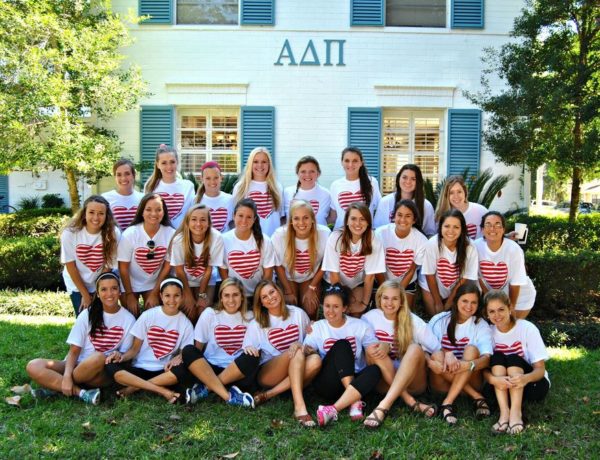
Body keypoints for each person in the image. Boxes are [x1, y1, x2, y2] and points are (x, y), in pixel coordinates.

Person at [26, 273, 136, 405]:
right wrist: (67, 376)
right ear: (98, 293)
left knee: (98, 357)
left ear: (120, 291)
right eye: (104, 289)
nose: (109, 293)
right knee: (33, 365)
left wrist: (119, 354)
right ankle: (81, 393)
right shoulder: (87, 314)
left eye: (114, 288)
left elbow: (125, 355)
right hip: (77, 365)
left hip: (102, 372)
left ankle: (55, 387)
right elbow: (74, 351)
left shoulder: (129, 319)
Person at [362, 280, 441, 428]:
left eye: (395, 298)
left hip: (412, 383)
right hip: (383, 383)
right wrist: (383, 345)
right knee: (372, 349)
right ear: (379, 298)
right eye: (385, 298)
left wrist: (429, 359)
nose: (389, 303)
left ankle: (383, 406)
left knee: (415, 348)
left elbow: (437, 348)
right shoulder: (369, 318)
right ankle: (410, 402)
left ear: (401, 301)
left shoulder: (413, 321)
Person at [303, 284, 383, 427]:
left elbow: (374, 350)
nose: (330, 311)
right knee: (342, 345)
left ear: (344, 308)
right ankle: (354, 401)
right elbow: (306, 353)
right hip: (329, 383)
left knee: (375, 370)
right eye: (327, 306)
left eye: (336, 306)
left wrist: (386, 345)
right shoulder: (317, 328)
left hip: (356, 380)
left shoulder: (360, 326)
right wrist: (305, 349)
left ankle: (332, 409)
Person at [104, 278, 194, 403]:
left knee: (184, 371)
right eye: (167, 295)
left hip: (164, 372)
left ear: (182, 297)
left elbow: (185, 353)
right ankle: (163, 391)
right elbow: (134, 349)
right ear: (161, 296)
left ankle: (134, 388)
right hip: (140, 369)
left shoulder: (186, 324)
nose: (172, 300)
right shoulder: (148, 315)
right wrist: (122, 357)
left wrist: (179, 356)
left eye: (176, 296)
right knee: (110, 365)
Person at [243, 281, 320, 426]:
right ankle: (299, 407)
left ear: (279, 291)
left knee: (315, 360)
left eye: (272, 292)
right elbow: (247, 349)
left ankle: (269, 395)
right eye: (264, 297)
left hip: (297, 368)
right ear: (261, 303)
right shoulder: (257, 324)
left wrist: (305, 342)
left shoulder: (298, 314)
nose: (270, 298)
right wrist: (249, 348)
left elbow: (311, 344)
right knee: (296, 350)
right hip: (270, 374)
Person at [179, 278, 257, 408]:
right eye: (226, 295)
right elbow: (198, 349)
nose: (231, 300)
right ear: (221, 297)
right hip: (210, 369)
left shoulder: (250, 316)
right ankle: (229, 396)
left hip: (236, 371)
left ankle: (206, 389)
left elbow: (254, 346)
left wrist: (251, 348)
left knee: (253, 356)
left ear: (242, 297)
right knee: (188, 350)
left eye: (235, 295)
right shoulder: (210, 314)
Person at [483, 290, 550, 435]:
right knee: (497, 356)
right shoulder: (488, 332)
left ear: (510, 308)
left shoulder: (527, 328)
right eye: (492, 311)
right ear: (487, 314)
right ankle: (504, 413)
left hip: (531, 385)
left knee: (513, 358)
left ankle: (516, 413)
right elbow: (484, 369)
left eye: (501, 309)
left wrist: (525, 378)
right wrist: (494, 380)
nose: (497, 315)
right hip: (502, 387)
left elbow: (539, 369)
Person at [427, 283, 492, 425]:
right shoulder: (439, 320)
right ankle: (476, 396)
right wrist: (444, 355)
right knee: (437, 355)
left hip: (471, 380)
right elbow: (424, 350)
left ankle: (447, 403)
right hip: (442, 385)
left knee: (471, 350)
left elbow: (487, 359)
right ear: (456, 301)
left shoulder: (480, 324)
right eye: (465, 301)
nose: (469, 306)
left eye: (474, 302)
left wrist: (467, 365)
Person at [322, 202, 385, 317]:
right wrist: (342, 302)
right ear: (347, 221)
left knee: (356, 312)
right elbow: (334, 275)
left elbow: (370, 276)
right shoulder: (336, 238)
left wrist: (364, 304)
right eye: (353, 218)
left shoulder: (373, 239)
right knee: (339, 313)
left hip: (357, 283)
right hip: (334, 283)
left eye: (362, 219)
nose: (358, 223)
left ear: (368, 222)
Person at [60, 195, 120, 316]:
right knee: (84, 316)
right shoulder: (70, 233)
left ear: (107, 216)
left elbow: (108, 265)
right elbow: (71, 266)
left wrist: (98, 291)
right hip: (76, 283)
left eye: (101, 213)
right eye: (91, 212)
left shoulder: (113, 233)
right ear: (84, 213)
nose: (96, 218)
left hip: (100, 281)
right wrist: (85, 295)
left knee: (102, 317)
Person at [271, 200, 330, 319]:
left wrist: (312, 287)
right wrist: (287, 291)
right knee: (290, 309)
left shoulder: (324, 234)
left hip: (310, 278)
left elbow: (326, 262)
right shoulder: (279, 235)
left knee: (310, 308)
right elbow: (277, 265)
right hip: (287, 278)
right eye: (296, 218)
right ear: (291, 221)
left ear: (312, 218)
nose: (301, 223)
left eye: (306, 218)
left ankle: (311, 329)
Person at [118, 193, 175, 315]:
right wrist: (129, 294)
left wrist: (155, 292)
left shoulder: (171, 234)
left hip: (154, 283)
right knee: (131, 314)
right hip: (129, 283)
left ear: (164, 212)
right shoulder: (130, 234)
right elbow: (123, 268)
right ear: (142, 212)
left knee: (153, 315)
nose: (154, 214)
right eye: (148, 209)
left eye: (158, 210)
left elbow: (167, 267)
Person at [474, 211, 536, 319]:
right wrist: (490, 300)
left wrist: (510, 307)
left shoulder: (514, 249)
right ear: (482, 230)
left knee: (511, 325)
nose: (492, 228)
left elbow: (516, 283)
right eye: (488, 224)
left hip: (520, 295)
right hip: (492, 295)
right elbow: (477, 276)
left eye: (497, 225)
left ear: (503, 230)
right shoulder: (475, 247)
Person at [170, 204, 224, 323]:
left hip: (206, 280)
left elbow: (208, 270)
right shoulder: (179, 240)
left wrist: (201, 295)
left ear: (209, 223)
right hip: (184, 280)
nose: (198, 224)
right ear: (187, 222)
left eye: (203, 220)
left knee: (202, 313)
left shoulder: (216, 238)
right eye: (194, 219)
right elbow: (179, 271)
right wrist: (188, 296)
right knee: (189, 313)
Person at [419, 209, 479, 316]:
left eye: (456, 227)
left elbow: (464, 278)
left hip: (456, 287)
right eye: (447, 226)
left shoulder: (470, 247)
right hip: (431, 285)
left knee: (452, 318)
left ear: (462, 229)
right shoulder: (432, 244)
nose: (451, 231)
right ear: (441, 227)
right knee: (435, 317)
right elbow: (429, 275)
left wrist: (449, 302)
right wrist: (438, 302)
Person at [375, 200, 428, 308]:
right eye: (399, 215)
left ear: (414, 220)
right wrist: (386, 291)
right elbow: (377, 267)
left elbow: (411, 270)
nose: (403, 219)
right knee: (382, 310)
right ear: (393, 217)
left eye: (408, 216)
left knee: (402, 312)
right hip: (382, 281)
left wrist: (397, 293)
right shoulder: (380, 234)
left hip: (406, 283)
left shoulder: (421, 240)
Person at [220, 199, 275, 300]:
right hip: (235, 296)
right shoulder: (223, 240)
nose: (244, 221)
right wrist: (234, 294)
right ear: (233, 216)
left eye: (249, 217)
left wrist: (258, 296)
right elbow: (223, 271)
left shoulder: (264, 240)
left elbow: (268, 274)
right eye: (240, 215)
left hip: (260, 294)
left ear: (254, 219)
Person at [232, 146, 284, 236]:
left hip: (273, 239)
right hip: (249, 239)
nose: (260, 165)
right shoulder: (241, 187)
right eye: (255, 162)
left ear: (269, 164)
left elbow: (281, 217)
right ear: (250, 164)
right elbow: (235, 218)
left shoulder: (277, 187)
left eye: (264, 162)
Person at [373, 164, 436, 236]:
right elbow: (376, 229)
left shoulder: (426, 206)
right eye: (404, 177)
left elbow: (430, 234)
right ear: (398, 179)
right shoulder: (385, 202)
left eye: (413, 179)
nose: (408, 181)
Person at [144, 144, 195, 229]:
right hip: (159, 234)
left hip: (182, 234)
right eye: (164, 163)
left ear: (177, 162)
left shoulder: (188, 186)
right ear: (158, 165)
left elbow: (192, 213)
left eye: (172, 162)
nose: (169, 166)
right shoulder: (150, 187)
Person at [329, 147, 381, 229]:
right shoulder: (335, 185)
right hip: (341, 233)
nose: (350, 164)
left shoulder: (372, 182)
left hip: (365, 233)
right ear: (342, 162)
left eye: (355, 161)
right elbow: (333, 215)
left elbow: (379, 209)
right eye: (347, 161)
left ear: (361, 163)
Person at [283, 156, 332, 226]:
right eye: (303, 171)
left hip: (319, 233)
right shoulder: (287, 193)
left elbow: (331, 218)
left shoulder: (326, 194)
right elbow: (283, 219)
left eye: (312, 171)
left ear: (318, 174)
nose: (307, 175)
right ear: (297, 173)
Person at [435, 175, 487, 240]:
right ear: (446, 195)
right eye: (451, 193)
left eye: (459, 192)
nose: (456, 196)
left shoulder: (481, 211)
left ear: (465, 192)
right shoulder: (441, 215)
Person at [102, 158, 144, 231]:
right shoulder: (105, 198)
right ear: (115, 177)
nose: (123, 178)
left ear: (134, 175)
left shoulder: (143, 198)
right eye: (119, 175)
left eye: (127, 174)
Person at [194, 161, 234, 233]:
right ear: (202, 178)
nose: (212, 181)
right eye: (208, 178)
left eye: (216, 178)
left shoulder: (230, 199)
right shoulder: (195, 201)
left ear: (221, 178)